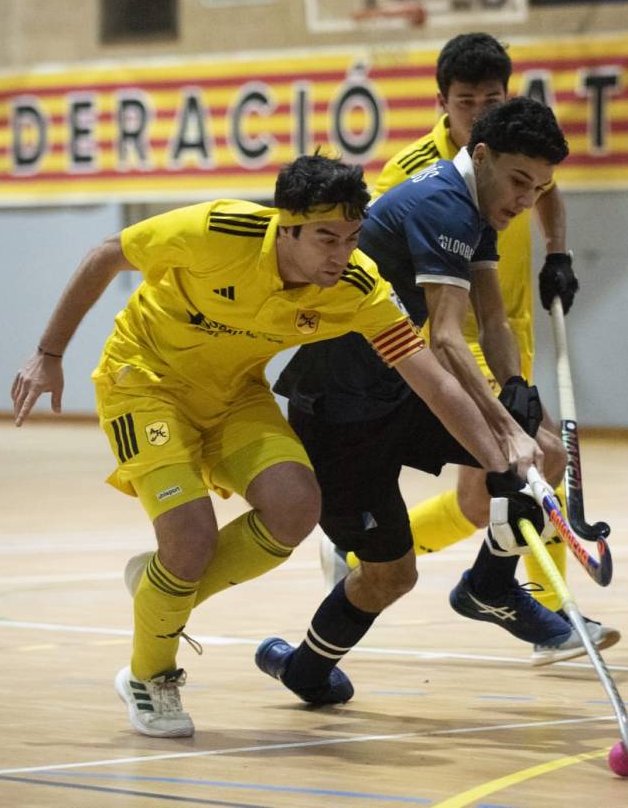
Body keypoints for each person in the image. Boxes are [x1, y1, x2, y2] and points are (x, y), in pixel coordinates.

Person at [11, 153, 543, 738]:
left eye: (350, 237)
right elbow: (104, 256)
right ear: (284, 225)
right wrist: (50, 353)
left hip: (236, 395)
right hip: (145, 383)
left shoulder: (359, 285)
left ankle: (161, 594)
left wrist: (499, 455)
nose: (340, 255)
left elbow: (431, 376)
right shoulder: (216, 230)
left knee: (295, 507)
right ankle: (150, 675)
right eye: (325, 238)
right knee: (189, 539)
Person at [256, 98, 610, 703]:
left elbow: (491, 317)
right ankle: (304, 669)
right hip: (339, 412)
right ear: (480, 155)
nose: (527, 201)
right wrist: (504, 427)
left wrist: (515, 392)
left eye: (540, 188)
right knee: (392, 576)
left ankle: (489, 587)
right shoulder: (441, 204)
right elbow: (446, 339)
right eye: (520, 181)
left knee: (543, 451)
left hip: (397, 387)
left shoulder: (476, 204)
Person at [315, 32, 619, 664]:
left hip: (504, 327)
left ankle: (484, 585)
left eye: (492, 97)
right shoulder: (421, 177)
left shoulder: (518, 157)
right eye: (466, 100)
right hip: (435, 341)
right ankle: (523, 598)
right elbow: (427, 312)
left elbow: (548, 189)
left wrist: (558, 252)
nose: (480, 109)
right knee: (524, 464)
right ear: (442, 103)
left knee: (489, 494)